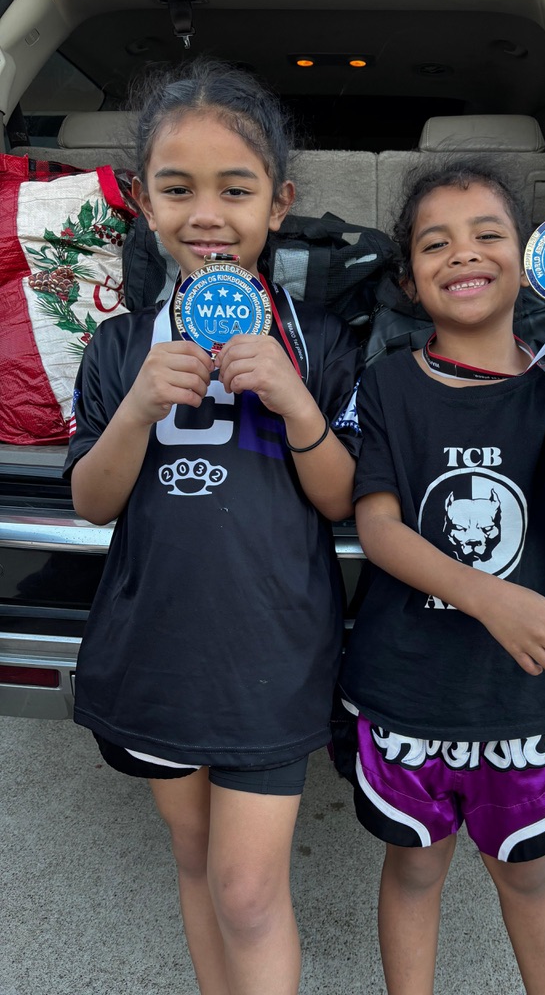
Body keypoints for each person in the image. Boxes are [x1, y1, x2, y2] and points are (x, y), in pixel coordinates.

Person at [65, 58, 362, 995]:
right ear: (144, 204)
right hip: (156, 649)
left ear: (279, 205)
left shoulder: (319, 340)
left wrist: (294, 400)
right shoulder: (120, 345)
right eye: (177, 189)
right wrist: (135, 409)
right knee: (195, 862)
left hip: (272, 652)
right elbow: (92, 500)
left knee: (248, 890)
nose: (207, 215)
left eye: (235, 190)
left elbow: (342, 498)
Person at [333, 157, 545, 995]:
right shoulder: (387, 385)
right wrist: (489, 597)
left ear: (529, 259)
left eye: (487, 234)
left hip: (526, 698)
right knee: (414, 869)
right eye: (435, 243)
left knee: (525, 875)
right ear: (407, 279)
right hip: (407, 691)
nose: (463, 252)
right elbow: (378, 527)